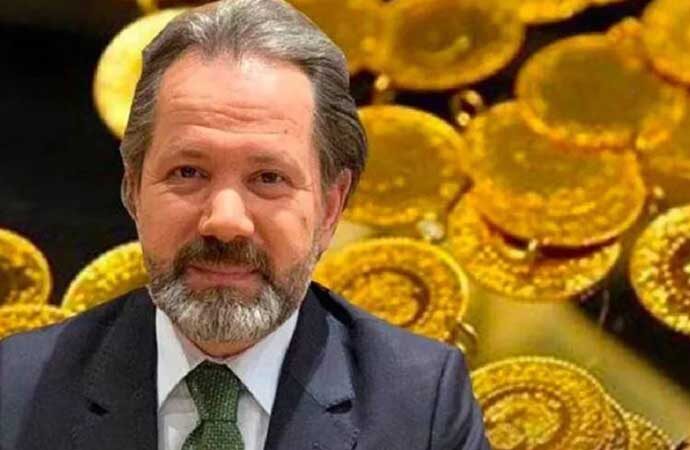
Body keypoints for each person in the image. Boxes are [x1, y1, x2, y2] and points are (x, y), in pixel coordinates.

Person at [0, 0, 490, 448]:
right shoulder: (16, 391)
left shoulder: (421, 404)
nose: (225, 221)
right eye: (188, 172)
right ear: (133, 190)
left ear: (330, 207)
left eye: (268, 178)